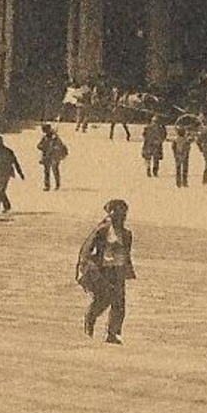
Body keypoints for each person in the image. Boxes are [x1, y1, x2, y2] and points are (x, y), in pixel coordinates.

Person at [77, 199, 136, 344]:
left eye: (124, 214)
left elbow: (126, 253)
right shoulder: (102, 231)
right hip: (103, 270)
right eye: (118, 213)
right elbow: (86, 249)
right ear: (111, 213)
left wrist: (127, 270)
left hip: (118, 271)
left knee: (119, 303)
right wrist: (84, 268)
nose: (121, 217)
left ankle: (113, 333)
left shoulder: (127, 234)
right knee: (104, 299)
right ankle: (90, 319)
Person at [36, 124, 68, 191]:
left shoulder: (55, 137)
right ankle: (47, 185)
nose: (45, 132)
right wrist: (43, 147)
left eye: (46, 130)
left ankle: (57, 185)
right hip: (47, 156)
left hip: (54, 156)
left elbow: (60, 145)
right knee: (46, 171)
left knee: (55, 170)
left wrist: (54, 148)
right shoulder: (45, 137)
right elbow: (38, 145)